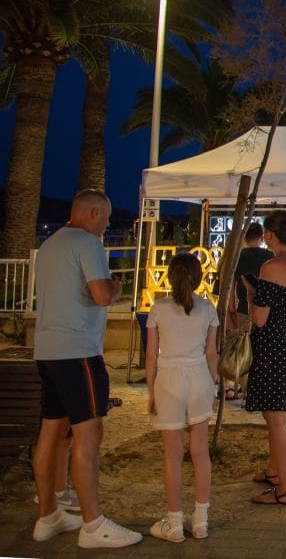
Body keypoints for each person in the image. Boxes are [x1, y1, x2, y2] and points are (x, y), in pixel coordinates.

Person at [31, 189, 142, 548]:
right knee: (88, 434)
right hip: (78, 352)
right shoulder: (88, 243)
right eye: (106, 219)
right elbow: (102, 294)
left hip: (47, 350)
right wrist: (117, 286)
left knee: (50, 432)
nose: (107, 225)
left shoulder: (50, 245)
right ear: (94, 212)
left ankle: (48, 516)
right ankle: (93, 525)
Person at [145, 253, 219, 542]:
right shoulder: (207, 309)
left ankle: (175, 523)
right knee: (200, 452)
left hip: (168, 381)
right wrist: (212, 386)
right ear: (198, 278)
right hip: (199, 378)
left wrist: (151, 391)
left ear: (171, 277)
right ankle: (201, 521)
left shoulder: (158, 309)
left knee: (172, 455)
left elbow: (151, 357)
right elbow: (211, 353)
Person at [243, 210, 286, 505]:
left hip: (270, 347)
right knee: (275, 415)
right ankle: (274, 471)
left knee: (275, 420)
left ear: (270, 234)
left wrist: (251, 295)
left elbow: (259, 318)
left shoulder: (270, 268)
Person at [224, 222, 274, 399]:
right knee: (261, 350)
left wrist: (231, 310)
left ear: (244, 238)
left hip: (243, 310)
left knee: (243, 349)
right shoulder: (270, 256)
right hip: (266, 311)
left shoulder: (237, 257)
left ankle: (243, 387)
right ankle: (256, 388)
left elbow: (231, 287)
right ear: (262, 238)